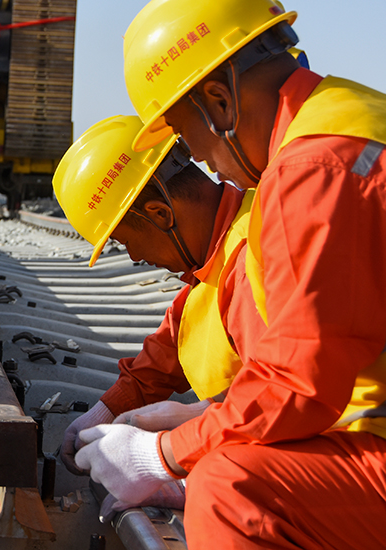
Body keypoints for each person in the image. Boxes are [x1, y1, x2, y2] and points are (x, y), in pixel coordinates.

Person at [73, 1, 386, 548]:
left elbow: (296, 385)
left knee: (231, 490)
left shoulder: (311, 169)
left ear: (219, 101)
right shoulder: (347, 118)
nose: (197, 155)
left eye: (184, 132)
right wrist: (183, 416)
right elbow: (183, 335)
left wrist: (164, 455)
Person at [54, 115, 262, 515]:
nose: (134, 256)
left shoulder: (250, 261)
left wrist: (170, 458)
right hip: (259, 445)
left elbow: (273, 405)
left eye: (126, 241)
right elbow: (171, 348)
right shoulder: (218, 255)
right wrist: (106, 411)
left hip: (332, 464)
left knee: (220, 504)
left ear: (161, 214)